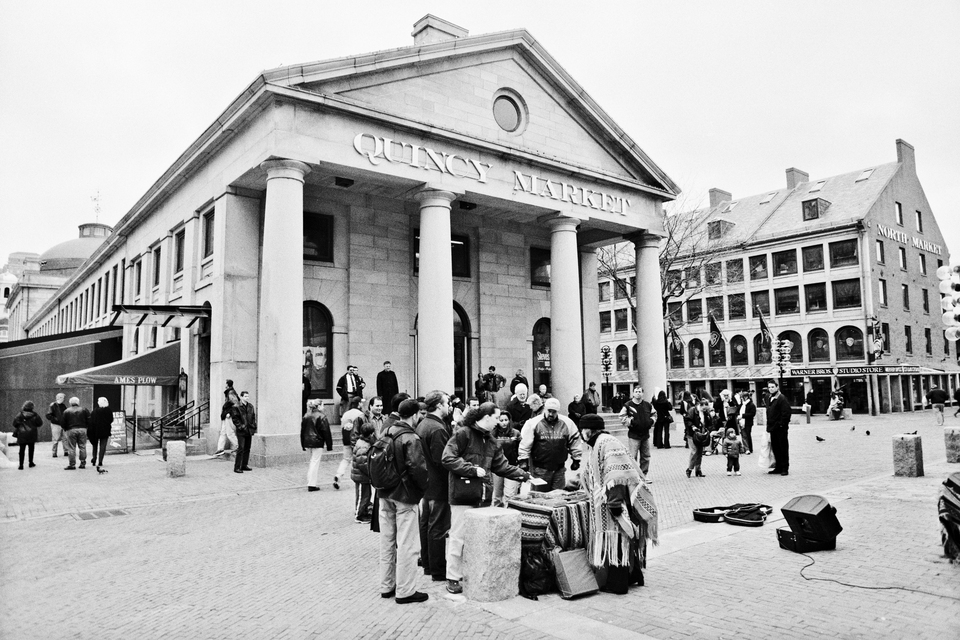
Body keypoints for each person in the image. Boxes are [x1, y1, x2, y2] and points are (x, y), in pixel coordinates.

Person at [441, 402, 531, 594]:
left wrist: (523, 475)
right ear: (487, 417)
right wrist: (471, 469)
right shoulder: (463, 434)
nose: (498, 422)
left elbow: (501, 466)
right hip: (462, 495)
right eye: (496, 418)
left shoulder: (491, 441)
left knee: (478, 537)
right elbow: (447, 458)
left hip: (483, 496)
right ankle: (453, 577)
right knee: (458, 536)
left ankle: (472, 573)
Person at [577, 413, 656, 595]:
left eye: (582, 430)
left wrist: (614, 501)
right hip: (612, 499)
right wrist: (575, 483)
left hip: (615, 500)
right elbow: (593, 471)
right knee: (622, 538)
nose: (581, 434)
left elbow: (617, 474)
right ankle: (633, 575)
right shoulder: (599, 443)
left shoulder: (607, 443)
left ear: (588, 430)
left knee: (618, 538)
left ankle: (618, 584)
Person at [378, 398, 429, 604]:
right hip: (404, 495)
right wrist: (422, 488)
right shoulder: (410, 437)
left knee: (387, 541)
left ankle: (386, 585)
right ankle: (405, 590)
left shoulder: (386, 431)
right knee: (407, 544)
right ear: (415, 415)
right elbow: (418, 468)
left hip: (384, 492)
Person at [415, 390, 452, 584]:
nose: (449, 406)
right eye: (447, 403)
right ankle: (438, 570)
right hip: (438, 484)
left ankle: (429, 565)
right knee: (437, 527)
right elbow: (442, 460)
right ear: (439, 405)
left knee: (427, 524)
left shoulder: (423, 424)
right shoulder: (437, 428)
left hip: (427, 483)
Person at [518, 397, 581, 490]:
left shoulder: (567, 423)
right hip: (540, 469)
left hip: (559, 469)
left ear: (558, 411)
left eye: (554, 412)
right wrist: (523, 460)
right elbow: (525, 443)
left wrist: (576, 458)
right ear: (545, 409)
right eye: (549, 411)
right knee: (539, 496)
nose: (551, 414)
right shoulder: (533, 423)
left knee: (558, 495)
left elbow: (575, 440)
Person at [619, 387, 654, 478]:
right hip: (634, 436)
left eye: (640, 392)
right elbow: (621, 417)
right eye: (636, 391)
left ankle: (643, 475)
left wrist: (651, 421)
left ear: (642, 393)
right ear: (633, 393)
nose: (638, 393)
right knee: (632, 457)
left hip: (645, 435)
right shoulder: (628, 405)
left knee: (646, 456)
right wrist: (630, 422)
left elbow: (654, 414)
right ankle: (634, 476)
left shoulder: (648, 405)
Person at [491, 411, 522, 507]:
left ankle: (509, 513)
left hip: (511, 465)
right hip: (497, 466)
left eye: (506, 420)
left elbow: (521, 448)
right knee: (497, 496)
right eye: (501, 420)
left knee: (510, 495)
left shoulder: (516, 433)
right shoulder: (492, 433)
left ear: (509, 421)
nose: (504, 423)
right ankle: (495, 513)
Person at [335, 396, 365, 489]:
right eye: (361, 403)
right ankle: (360, 478)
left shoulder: (345, 414)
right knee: (359, 459)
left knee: (346, 459)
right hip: (357, 440)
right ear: (359, 404)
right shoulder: (360, 414)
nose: (362, 404)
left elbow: (342, 427)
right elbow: (363, 428)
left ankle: (339, 474)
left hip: (346, 439)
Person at [351, 422, 376, 523]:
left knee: (366, 495)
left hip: (362, 475)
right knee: (362, 495)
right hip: (361, 476)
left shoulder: (363, 442)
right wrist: (370, 472)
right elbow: (362, 463)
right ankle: (359, 515)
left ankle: (363, 511)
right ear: (370, 434)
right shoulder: (364, 445)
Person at [301, 399, 328, 492]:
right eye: (322, 405)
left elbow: (302, 431)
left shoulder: (306, 416)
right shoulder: (322, 416)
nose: (323, 407)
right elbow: (326, 431)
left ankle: (310, 481)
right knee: (315, 462)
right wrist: (329, 444)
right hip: (317, 441)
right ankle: (311, 484)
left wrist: (302, 443)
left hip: (308, 441)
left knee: (312, 461)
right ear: (319, 406)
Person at [766, 380, 792, 476]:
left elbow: (786, 413)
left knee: (783, 448)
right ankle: (778, 467)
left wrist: (781, 424)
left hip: (780, 428)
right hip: (772, 428)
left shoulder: (781, 398)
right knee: (775, 448)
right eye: (769, 387)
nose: (771, 389)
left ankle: (785, 468)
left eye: (772, 387)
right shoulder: (769, 398)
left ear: (777, 387)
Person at [684, 397, 711, 478]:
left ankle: (698, 470)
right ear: (701, 405)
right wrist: (692, 426)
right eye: (704, 408)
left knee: (699, 452)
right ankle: (689, 469)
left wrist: (709, 416)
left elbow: (709, 423)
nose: (705, 410)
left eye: (706, 409)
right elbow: (687, 420)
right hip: (692, 434)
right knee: (694, 451)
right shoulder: (692, 410)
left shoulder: (705, 412)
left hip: (701, 434)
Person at [61, 397, 90, 470]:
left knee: (71, 447)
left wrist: (66, 429)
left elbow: (63, 422)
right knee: (82, 446)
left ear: (70, 403)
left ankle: (72, 464)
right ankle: (82, 462)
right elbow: (89, 419)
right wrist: (86, 427)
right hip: (82, 429)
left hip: (71, 429)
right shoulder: (84, 410)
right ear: (78, 402)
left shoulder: (66, 411)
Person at [12, 401, 42, 470]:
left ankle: (21, 465)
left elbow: (14, 423)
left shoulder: (20, 414)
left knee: (22, 449)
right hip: (32, 433)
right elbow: (40, 423)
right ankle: (31, 462)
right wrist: (33, 425)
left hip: (22, 434)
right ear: (32, 407)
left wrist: (21, 425)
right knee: (31, 448)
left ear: (24, 406)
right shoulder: (35, 415)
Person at [214, 382, 239, 457]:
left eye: (226, 384)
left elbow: (236, 403)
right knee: (223, 432)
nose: (225, 386)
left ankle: (238, 446)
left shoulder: (231, 392)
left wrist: (229, 412)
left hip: (228, 415)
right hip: (226, 415)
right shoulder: (229, 392)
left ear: (228, 385)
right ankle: (220, 449)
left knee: (229, 433)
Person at [88, 397, 113, 470]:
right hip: (105, 430)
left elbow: (91, 421)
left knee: (95, 445)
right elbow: (111, 420)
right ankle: (100, 461)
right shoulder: (108, 411)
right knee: (103, 445)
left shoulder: (95, 411)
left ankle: (94, 459)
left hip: (95, 430)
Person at [236, 391, 257, 472]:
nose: (247, 398)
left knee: (247, 448)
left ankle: (244, 465)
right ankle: (237, 467)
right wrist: (241, 426)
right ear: (241, 397)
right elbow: (235, 419)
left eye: (248, 396)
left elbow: (253, 417)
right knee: (241, 448)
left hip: (249, 430)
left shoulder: (250, 406)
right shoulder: (237, 406)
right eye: (245, 396)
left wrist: (253, 426)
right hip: (241, 431)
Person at [45, 393, 67, 458]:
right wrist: (56, 419)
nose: (63, 399)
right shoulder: (53, 405)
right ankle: (54, 452)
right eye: (62, 397)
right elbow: (48, 415)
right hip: (56, 424)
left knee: (65, 438)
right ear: (58, 398)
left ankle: (66, 451)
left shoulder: (63, 405)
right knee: (56, 439)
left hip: (62, 424)